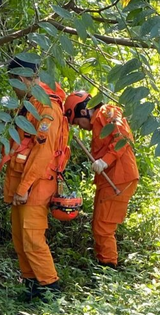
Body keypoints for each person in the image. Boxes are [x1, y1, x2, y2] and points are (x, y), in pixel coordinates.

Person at [0, 57, 68, 301]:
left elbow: (43, 154)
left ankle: (50, 290)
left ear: (20, 79)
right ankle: (31, 287)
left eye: (12, 84)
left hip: (36, 185)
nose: (12, 90)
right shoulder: (32, 103)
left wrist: (25, 187)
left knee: (33, 239)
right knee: (20, 238)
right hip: (23, 183)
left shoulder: (47, 108)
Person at [63, 91, 139, 269]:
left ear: (83, 112)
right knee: (99, 225)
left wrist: (106, 160)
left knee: (103, 227)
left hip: (120, 178)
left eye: (77, 122)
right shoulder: (97, 122)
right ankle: (104, 266)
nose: (80, 127)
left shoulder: (107, 112)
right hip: (109, 180)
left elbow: (124, 137)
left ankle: (108, 269)